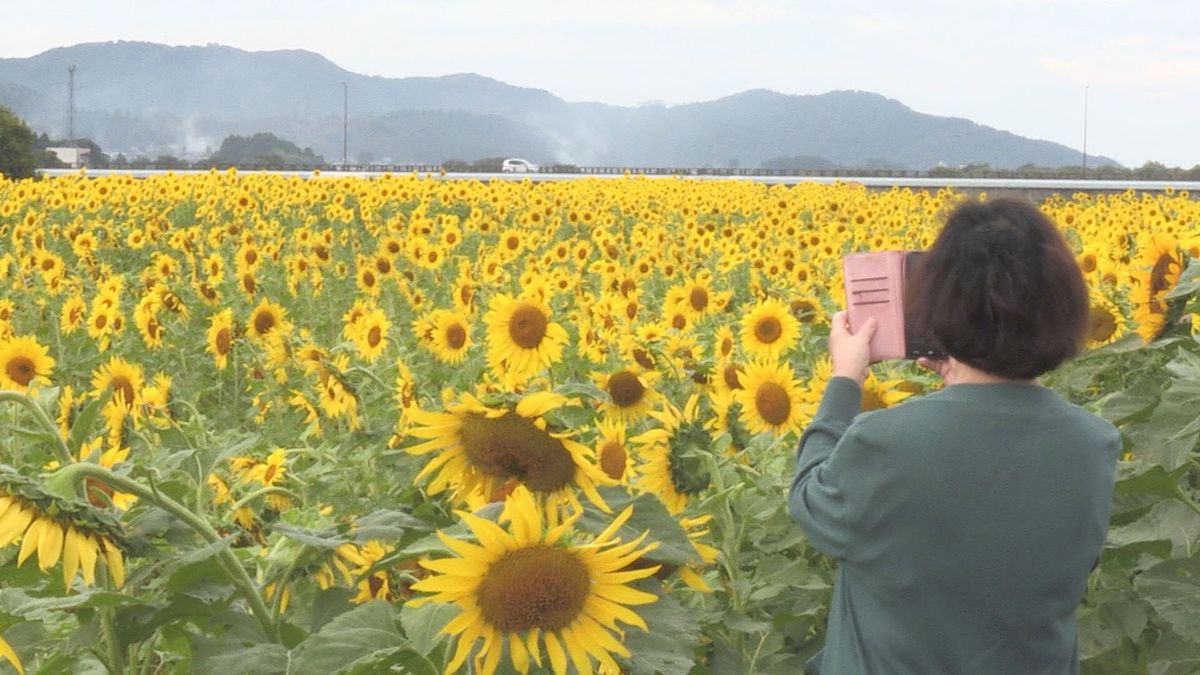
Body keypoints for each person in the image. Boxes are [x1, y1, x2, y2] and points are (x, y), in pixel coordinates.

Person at [788, 198, 1121, 675]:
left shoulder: (887, 442)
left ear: (938, 306)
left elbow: (809, 501)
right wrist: (966, 372)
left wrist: (845, 380)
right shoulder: (1096, 446)